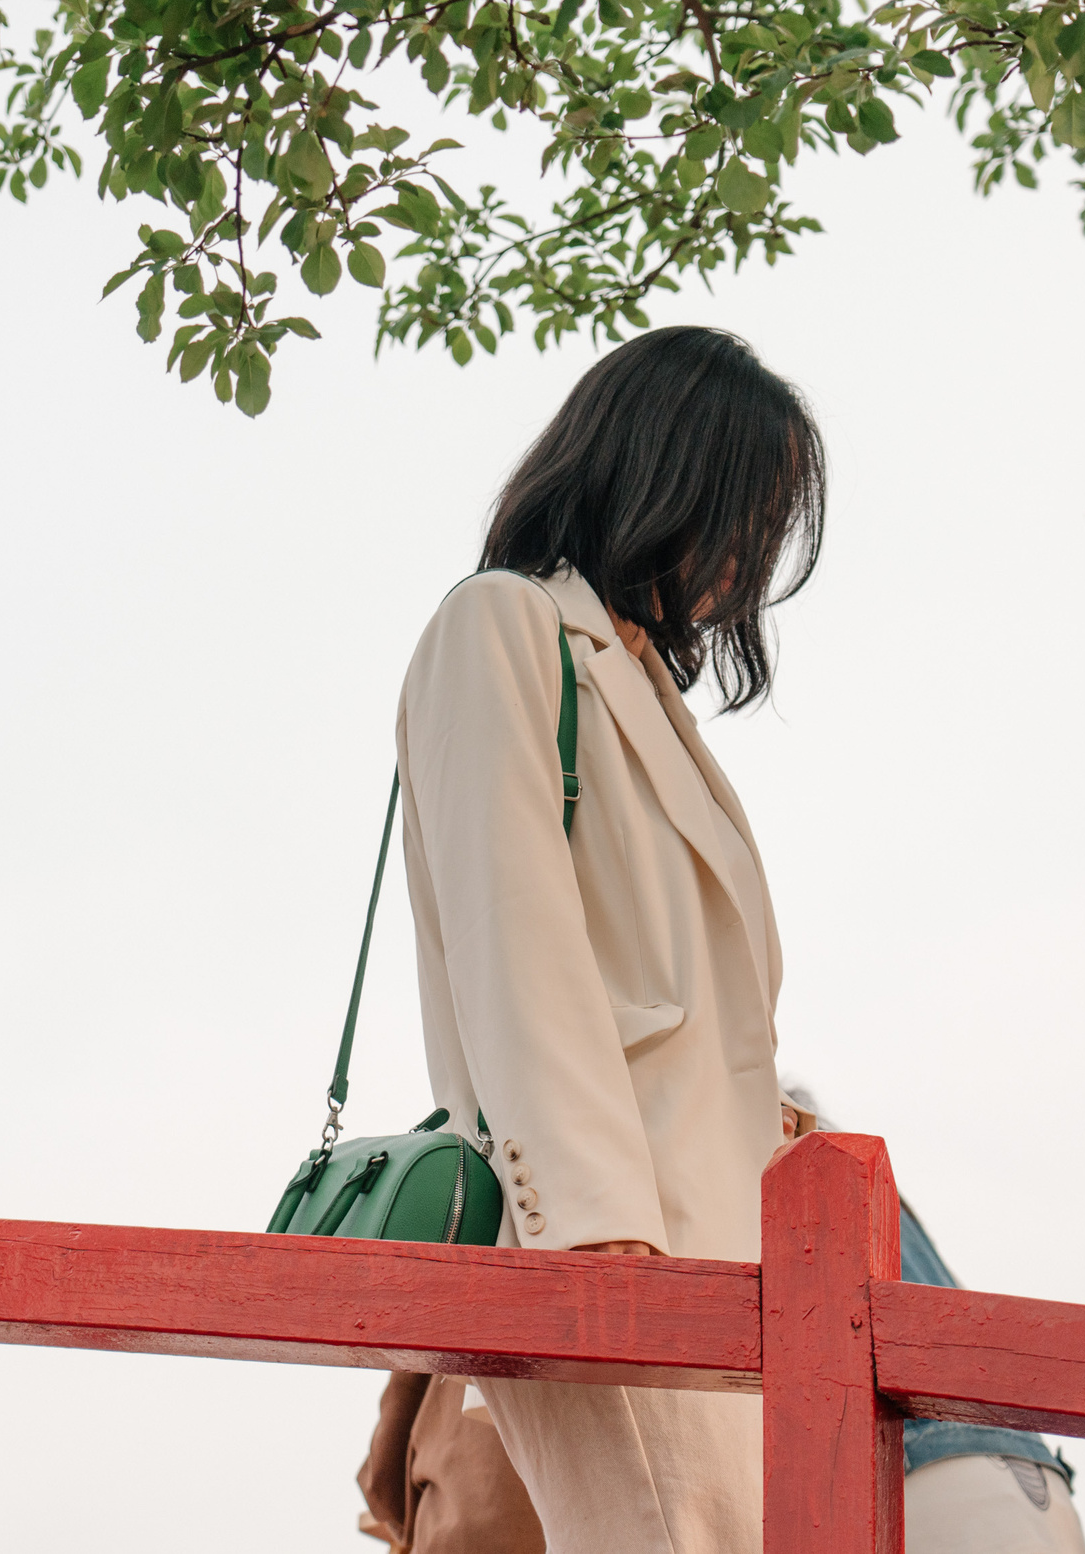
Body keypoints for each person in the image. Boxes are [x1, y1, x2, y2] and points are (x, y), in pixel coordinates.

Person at [394, 326, 825, 1554]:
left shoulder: (652, 696)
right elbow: (511, 942)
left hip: (726, 1249)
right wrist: (593, 1235)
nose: (754, 553)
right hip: (610, 1237)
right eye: (750, 504)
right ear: (663, 472)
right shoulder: (501, 627)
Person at [353, 1185, 1085, 1554]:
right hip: (1001, 1471)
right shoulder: (815, 1162)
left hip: (898, 1481)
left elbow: (387, 1472)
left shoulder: (553, 1188)